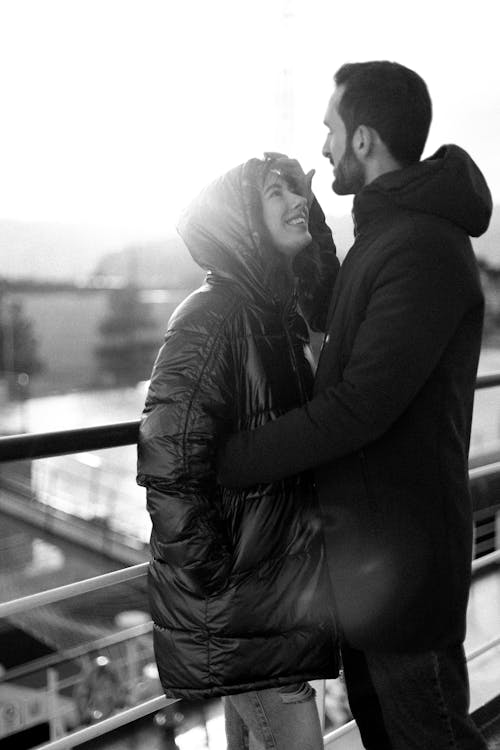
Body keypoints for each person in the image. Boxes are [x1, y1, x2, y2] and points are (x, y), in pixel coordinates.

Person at [217, 61, 493, 749]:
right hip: (372, 567)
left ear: (364, 139)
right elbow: (342, 345)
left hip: (404, 571)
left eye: (331, 131)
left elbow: (360, 404)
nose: (324, 149)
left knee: (427, 736)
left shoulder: (422, 247)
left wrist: (232, 458)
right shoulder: (389, 236)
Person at [136, 153, 340, 749]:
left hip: (276, 597)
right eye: (275, 194)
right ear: (243, 221)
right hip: (243, 605)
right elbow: (167, 460)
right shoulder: (212, 316)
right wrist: (215, 583)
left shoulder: (281, 318)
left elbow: (327, 288)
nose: (296, 201)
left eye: (298, 191)